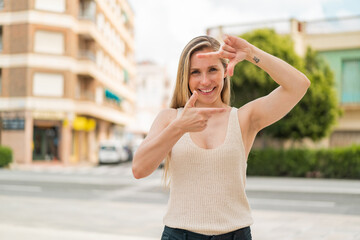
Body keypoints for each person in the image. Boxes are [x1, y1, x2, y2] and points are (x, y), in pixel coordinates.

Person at [132, 35, 310, 240]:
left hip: (235, 234)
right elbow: (139, 169)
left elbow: (299, 85)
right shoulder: (169, 118)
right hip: (179, 235)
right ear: (185, 77)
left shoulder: (243, 119)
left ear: (225, 71)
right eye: (195, 72)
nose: (205, 81)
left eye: (212, 70)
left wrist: (252, 53)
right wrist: (179, 127)